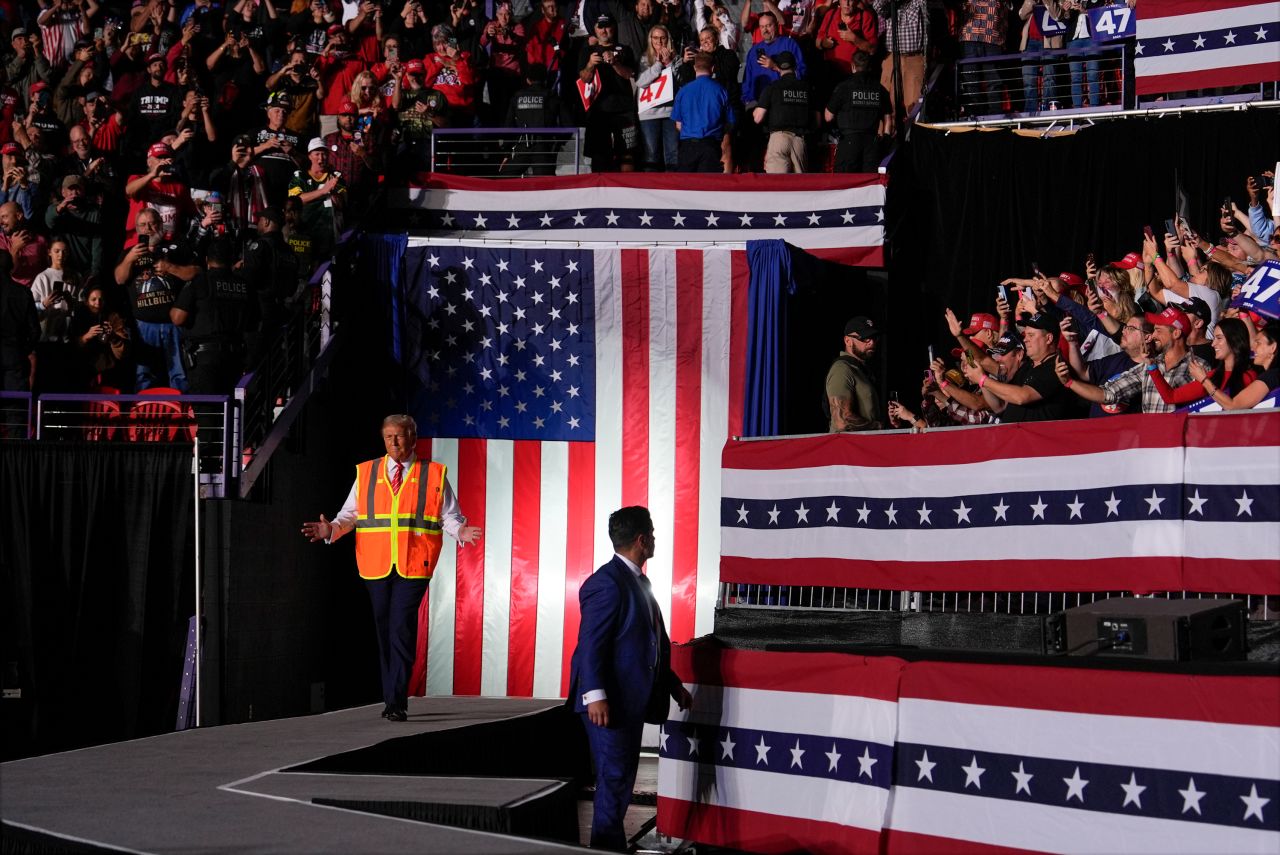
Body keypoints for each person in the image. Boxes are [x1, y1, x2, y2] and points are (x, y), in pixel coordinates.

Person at [301, 414, 482, 722]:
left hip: (414, 565)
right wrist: (330, 529)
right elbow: (350, 514)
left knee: (400, 627)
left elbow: (447, 515)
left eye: (400, 436)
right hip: (376, 564)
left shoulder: (433, 474)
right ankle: (392, 695)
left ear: (413, 438)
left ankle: (395, 702)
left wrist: (460, 531)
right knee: (385, 630)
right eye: (388, 437)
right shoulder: (368, 472)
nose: (394, 442)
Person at [568, 505, 692, 852]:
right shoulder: (606, 584)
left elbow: (650, 644)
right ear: (641, 540)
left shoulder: (639, 581)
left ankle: (609, 846)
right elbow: (591, 644)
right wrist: (595, 695)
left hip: (627, 703)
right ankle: (606, 849)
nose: (653, 540)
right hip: (609, 705)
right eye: (651, 534)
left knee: (620, 781)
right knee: (614, 779)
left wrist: (673, 684)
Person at [170, 237, 256, 394]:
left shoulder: (200, 282)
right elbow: (254, 323)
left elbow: (177, 317)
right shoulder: (245, 286)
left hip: (205, 360)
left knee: (207, 411)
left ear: (207, 261)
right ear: (231, 260)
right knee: (229, 409)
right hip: (235, 357)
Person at [963, 311, 1073, 422]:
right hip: (1013, 436)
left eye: (1031, 335)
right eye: (1025, 335)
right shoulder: (1027, 367)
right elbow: (1000, 406)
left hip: (1037, 437)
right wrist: (960, 337)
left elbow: (1022, 396)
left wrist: (982, 380)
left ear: (1048, 338)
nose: (1025, 339)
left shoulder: (1057, 366)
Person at [752, 50, 816, 173]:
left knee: (777, 187)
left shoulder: (772, 87)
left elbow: (758, 118)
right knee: (799, 188)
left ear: (778, 67)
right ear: (795, 66)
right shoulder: (807, 88)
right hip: (799, 141)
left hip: (778, 139)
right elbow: (817, 121)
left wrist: (755, 111)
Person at [824, 50, 889, 173]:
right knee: (868, 185)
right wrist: (885, 138)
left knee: (845, 185)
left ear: (852, 66)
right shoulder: (879, 88)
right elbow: (888, 117)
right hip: (871, 144)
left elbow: (828, 116)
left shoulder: (844, 87)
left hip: (848, 142)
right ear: (869, 67)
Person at [670, 51, 732, 173]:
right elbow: (729, 122)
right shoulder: (721, 91)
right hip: (711, 145)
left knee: (686, 188)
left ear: (694, 67)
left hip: (688, 146)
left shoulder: (683, 92)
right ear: (713, 68)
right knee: (708, 188)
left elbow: (678, 125)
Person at [824, 314, 882, 431]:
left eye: (874, 337)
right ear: (847, 340)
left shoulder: (861, 370)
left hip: (864, 445)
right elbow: (842, 421)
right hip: (846, 447)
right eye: (865, 338)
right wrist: (879, 426)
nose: (872, 342)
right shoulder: (842, 369)